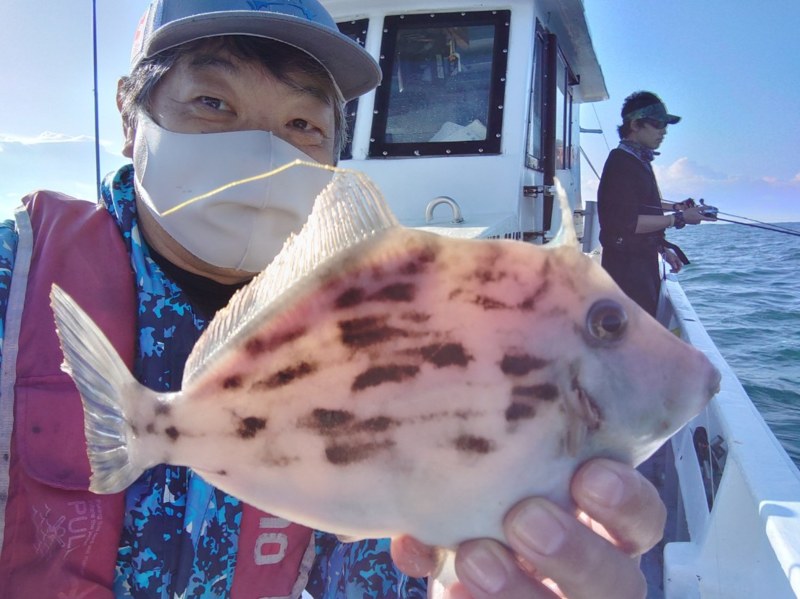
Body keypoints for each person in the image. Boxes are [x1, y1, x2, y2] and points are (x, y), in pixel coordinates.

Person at [0, 2, 666, 597]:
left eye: (302, 123)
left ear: (333, 157)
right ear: (129, 111)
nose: (261, 147)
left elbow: (375, 564)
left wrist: (469, 568)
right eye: (213, 103)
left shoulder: (384, 334)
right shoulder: (15, 274)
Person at [597, 91, 715, 317]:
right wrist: (679, 218)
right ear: (635, 124)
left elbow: (641, 205)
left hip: (641, 266)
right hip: (627, 274)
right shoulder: (622, 163)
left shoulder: (637, 160)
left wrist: (665, 239)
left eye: (665, 125)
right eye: (657, 123)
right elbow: (627, 222)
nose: (663, 131)